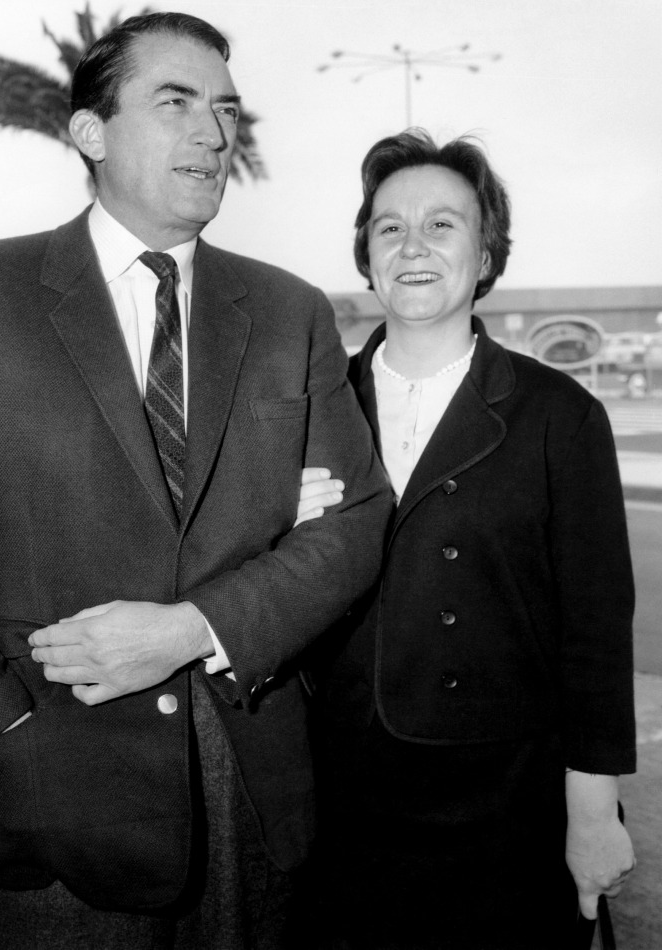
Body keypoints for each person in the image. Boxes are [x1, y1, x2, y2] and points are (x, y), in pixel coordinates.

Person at [0, 13, 392, 949]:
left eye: (225, 111)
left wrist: (195, 629)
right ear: (91, 132)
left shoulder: (288, 311)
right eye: (176, 103)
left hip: (254, 791)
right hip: (57, 798)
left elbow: (358, 516)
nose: (212, 134)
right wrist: (3, 736)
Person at [315, 129, 636, 950]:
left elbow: (595, 635)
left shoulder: (559, 417)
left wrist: (593, 816)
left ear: (486, 250)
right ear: (366, 253)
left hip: (505, 813)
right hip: (340, 813)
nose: (413, 246)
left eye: (443, 225)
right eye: (390, 227)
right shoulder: (309, 411)